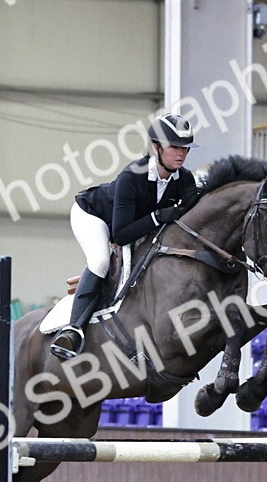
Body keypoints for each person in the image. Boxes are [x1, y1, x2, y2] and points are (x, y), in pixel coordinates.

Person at [50, 113, 199, 361]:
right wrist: (158, 217)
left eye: (185, 148)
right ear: (156, 147)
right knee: (100, 261)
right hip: (95, 217)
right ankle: (72, 330)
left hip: (132, 226)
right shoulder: (133, 176)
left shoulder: (184, 179)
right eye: (174, 147)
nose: (181, 153)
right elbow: (119, 235)